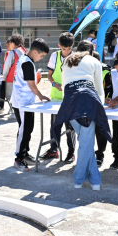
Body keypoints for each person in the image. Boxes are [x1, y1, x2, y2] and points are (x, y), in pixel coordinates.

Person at [53, 40, 111, 190]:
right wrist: (100, 109)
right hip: (87, 103)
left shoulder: (67, 60)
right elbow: (99, 90)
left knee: (85, 143)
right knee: (86, 144)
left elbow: (65, 87)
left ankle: (94, 179)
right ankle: (80, 180)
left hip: (69, 105)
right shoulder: (94, 60)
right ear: (91, 52)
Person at [11, 38, 51, 171]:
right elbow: (32, 85)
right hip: (23, 102)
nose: (41, 58)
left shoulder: (24, 59)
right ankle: (19, 158)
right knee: (24, 130)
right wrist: (41, 96)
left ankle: (25, 154)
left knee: (28, 129)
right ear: (34, 51)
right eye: (41, 55)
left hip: (24, 101)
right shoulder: (27, 63)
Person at [40, 32, 77, 163]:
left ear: (72, 46)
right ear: (59, 46)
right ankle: (54, 150)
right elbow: (49, 75)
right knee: (55, 125)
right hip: (56, 98)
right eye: (63, 49)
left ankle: (71, 153)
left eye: (68, 49)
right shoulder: (54, 56)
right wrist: (55, 84)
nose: (66, 52)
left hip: (71, 99)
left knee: (70, 127)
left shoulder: (76, 58)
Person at [1, 34, 26, 101]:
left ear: (12, 43)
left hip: (11, 78)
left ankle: (12, 110)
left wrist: (4, 75)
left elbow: (7, 66)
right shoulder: (23, 51)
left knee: (10, 96)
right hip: (21, 78)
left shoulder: (12, 53)